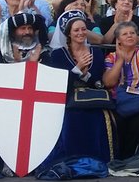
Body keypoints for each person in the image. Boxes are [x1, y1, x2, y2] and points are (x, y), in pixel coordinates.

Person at [41, 10, 117, 170]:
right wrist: (77, 69)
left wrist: (82, 73)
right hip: (68, 99)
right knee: (72, 116)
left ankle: (97, 159)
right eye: (76, 30)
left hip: (92, 98)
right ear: (68, 33)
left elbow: (97, 80)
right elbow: (59, 80)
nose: (81, 33)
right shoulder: (58, 55)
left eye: (83, 29)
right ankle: (72, 158)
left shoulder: (95, 52)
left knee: (97, 115)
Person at [102, 23, 139, 159]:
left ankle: (127, 159)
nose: (129, 36)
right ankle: (117, 157)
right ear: (118, 39)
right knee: (117, 122)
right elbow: (108, 82)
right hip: (117, 101)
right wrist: (120, 60)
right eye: (125, 34)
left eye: (132, 33)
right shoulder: (111, 57)